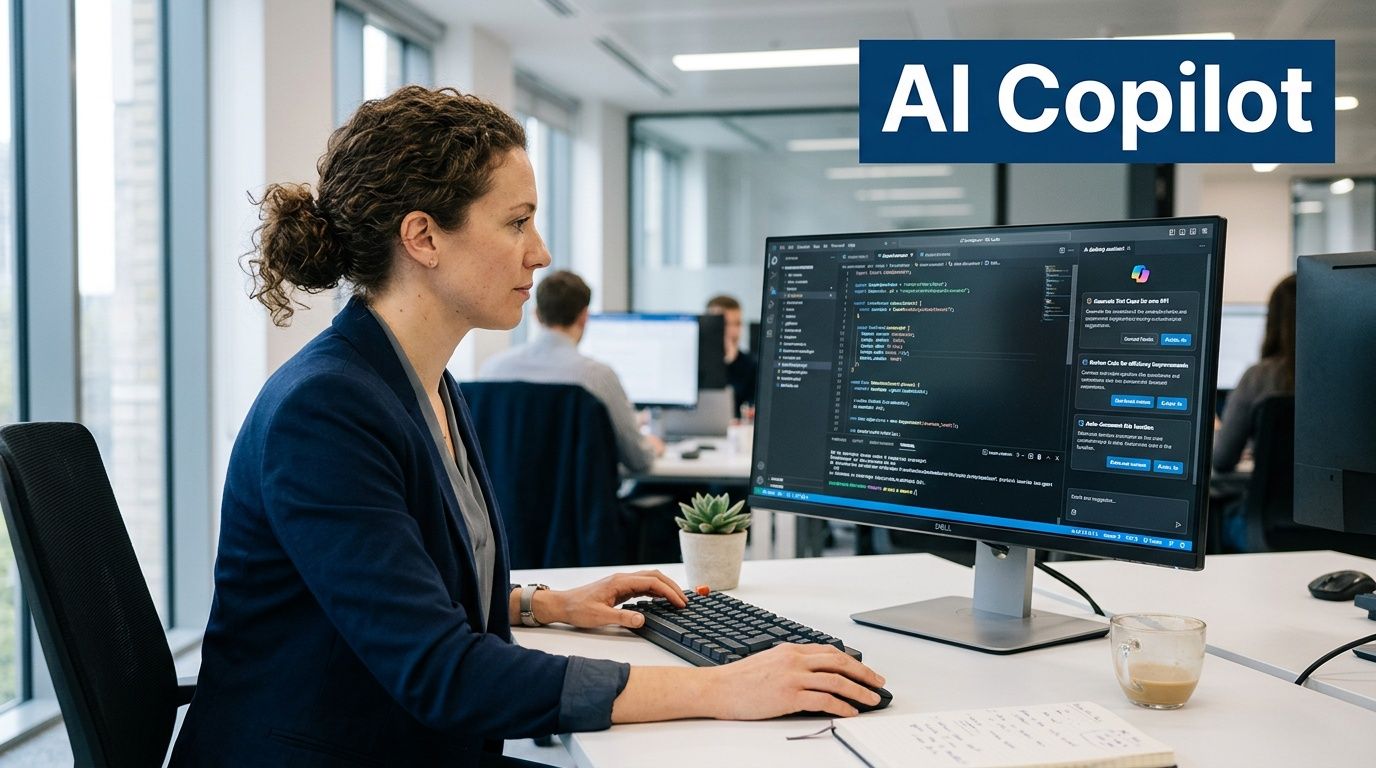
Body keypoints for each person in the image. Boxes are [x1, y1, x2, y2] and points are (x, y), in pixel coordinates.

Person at [169, 86, 884, 767]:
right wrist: (722, 686)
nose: (539, 253)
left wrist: (538, 604)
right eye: (516, 222)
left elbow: (387, 589)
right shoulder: (324, 412)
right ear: (422, 237)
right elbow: (442, 671)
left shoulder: (423, 383)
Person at [478, 269, 663, 472]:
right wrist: (652, 446)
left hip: (502, 502)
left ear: (537, 316)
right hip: (575, 502)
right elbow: (638, 460)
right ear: (584, 317)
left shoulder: (492, 370)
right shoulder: (596, 378)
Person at [1213, 274, 1296, 473]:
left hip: (1266, 503)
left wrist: (1216, 430)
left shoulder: (1258, 377)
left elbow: (1222, 459)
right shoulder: (1343, 380)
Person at [705, 294, 757, 417]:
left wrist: (731, 363)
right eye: (726, 324)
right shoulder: (693, 363)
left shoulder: (752, 365)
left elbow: (747, 406)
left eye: (737, 324)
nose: (733, 331)